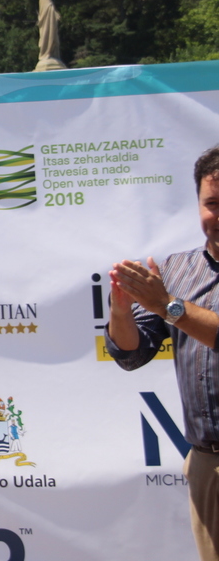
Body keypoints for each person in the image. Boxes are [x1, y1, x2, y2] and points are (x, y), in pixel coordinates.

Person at [106, 144, 219, 560]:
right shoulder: (175, 271)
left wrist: (168, 306)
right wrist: (122, 310)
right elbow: (131, 354)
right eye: (212, 204)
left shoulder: (168, 294)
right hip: (207, 464)